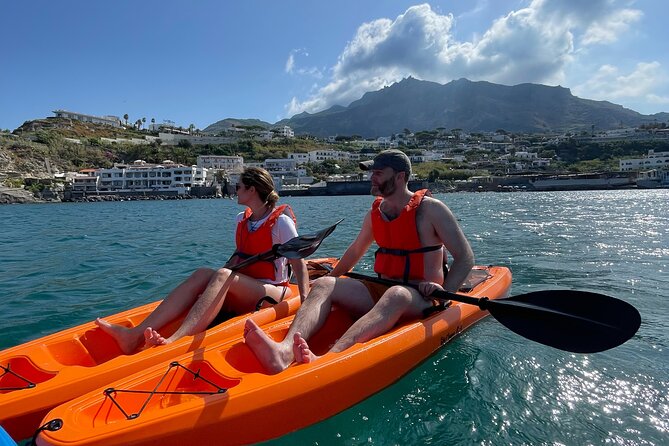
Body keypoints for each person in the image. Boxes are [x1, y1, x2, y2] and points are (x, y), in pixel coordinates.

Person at [244, 149, 474, 374]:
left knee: (398, 294)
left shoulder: (431, 210)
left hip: (422, 297)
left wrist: (444, 293)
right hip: (383, 291)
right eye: (371, 172)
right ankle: (283, 352)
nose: (371, 178)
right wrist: (326, 283)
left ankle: (330, 358)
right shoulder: (376, 213)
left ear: (400, 177)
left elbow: (465, 257)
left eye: (378, 173)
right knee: (325, 285)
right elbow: (355, 251)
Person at [96, 167, 310, 354]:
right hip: (246, 285)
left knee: (222, 275)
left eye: (239, 186)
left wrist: (305, 300)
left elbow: (298, 263)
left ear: (252, 190)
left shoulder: (281, 222)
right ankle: (134, 335)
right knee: (203, 273)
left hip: (274, 289)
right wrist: (209, 288)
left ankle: (175, 341)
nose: (235, 189)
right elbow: (240, 255)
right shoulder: (242, 219)